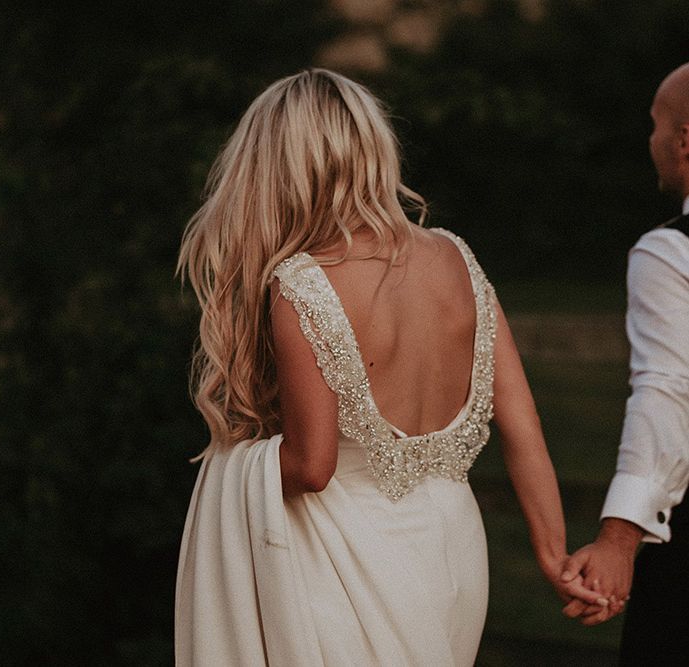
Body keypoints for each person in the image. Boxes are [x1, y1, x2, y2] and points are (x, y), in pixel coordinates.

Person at [174, 68, 604, 666]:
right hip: (455, 553)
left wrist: (229, 470)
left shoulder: (303, 281)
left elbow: (312, 465)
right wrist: (555, 556)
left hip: (348, 556)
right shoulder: (456, 255)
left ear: (276, 169)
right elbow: (524, 426)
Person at [561, 63, 689, 664]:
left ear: (686, 141)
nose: (651, 140)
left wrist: (619, 539)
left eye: (656, 125)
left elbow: (666, 392)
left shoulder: (671, 251)